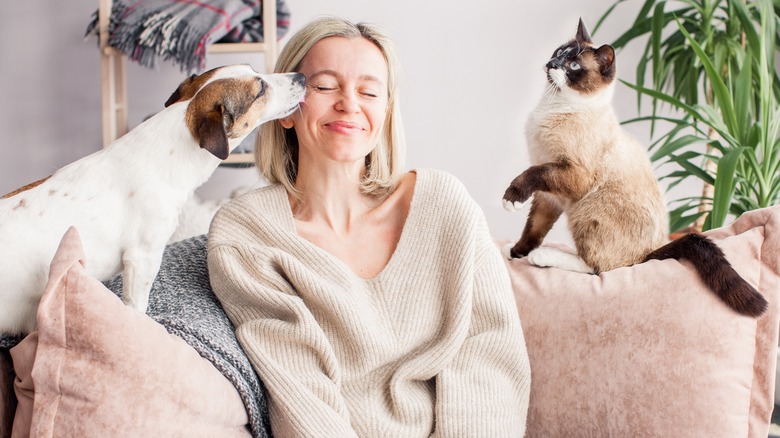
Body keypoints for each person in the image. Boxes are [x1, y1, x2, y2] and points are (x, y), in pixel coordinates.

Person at [207, 16, 531, 437]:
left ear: (385, 111)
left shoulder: (444, 206)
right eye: (324, 86)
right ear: (287, 108)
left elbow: (489, 359)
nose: (349, 104)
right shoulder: (247, 234)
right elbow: (299, 393)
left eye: (369, 91)